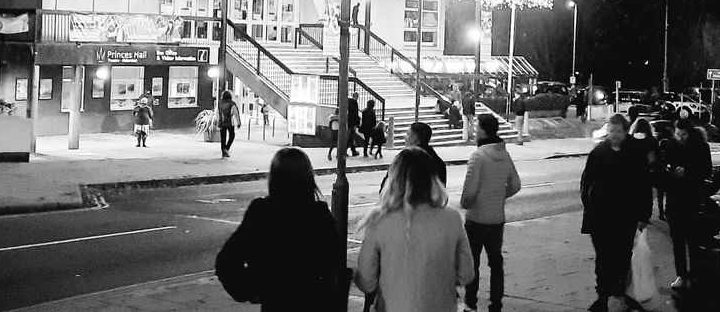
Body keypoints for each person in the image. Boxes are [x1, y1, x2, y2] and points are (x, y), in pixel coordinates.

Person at [216, 148, 340, 311]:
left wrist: (248, 290)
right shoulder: (318, 215)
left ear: (274, 178)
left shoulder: (262, 212)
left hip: (274, 302)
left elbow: (227, 260)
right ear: (308, 178)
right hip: (312, 301)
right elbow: (333, 262)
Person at [355, 148, 474, 312]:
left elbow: (366, 282)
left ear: (393, 178)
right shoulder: (451, 218)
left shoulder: (380, 219)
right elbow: (466, 274)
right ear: (432, 178)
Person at [580, 114, 654, 312]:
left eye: (617, 131)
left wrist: (643, 215)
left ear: (624, 131)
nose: (613, 135)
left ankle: (619, 293)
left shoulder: (635, 153)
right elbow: (586, 182)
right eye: (611, 131)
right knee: (603, 257)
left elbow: (644, 186)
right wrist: (589, 205)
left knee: (621, 257)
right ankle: (603, 295)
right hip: (600, 216)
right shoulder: (598, 153)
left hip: (625, 216)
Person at [461, 114, 522, 312]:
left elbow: (469, 192)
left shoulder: (478, 156)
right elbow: (515, 184)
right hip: (496, 220)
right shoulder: (504, 154)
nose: (475, 130)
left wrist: (466, 203)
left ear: (484, 131)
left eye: (477, 127)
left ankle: (471, 302)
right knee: (496, 263)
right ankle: (496, 303)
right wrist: (499, 196)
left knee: (473, 263)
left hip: (476, 219)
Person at [660, 118, 716, 291]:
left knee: (693, 241)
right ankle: (682, 275)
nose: (680, 137)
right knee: (677, 241)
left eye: (683, 134)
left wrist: (687, 173)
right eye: (677, 134)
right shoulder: (671, 145)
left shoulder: (700, 147)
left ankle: (695, 275)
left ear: (690, 133)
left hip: (692, 199)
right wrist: (669, 171)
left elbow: (706, 170)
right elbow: (663, 167)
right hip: (674, 199)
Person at [216, 90, 238, 158]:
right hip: (229, 122)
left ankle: (223, 151)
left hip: (222, 122)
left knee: (223, 138)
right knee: (232, 135)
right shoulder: (232, 103)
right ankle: (226, 149)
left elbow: (218, 112)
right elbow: (235, 113)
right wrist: (238, 122)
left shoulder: (220, 103)